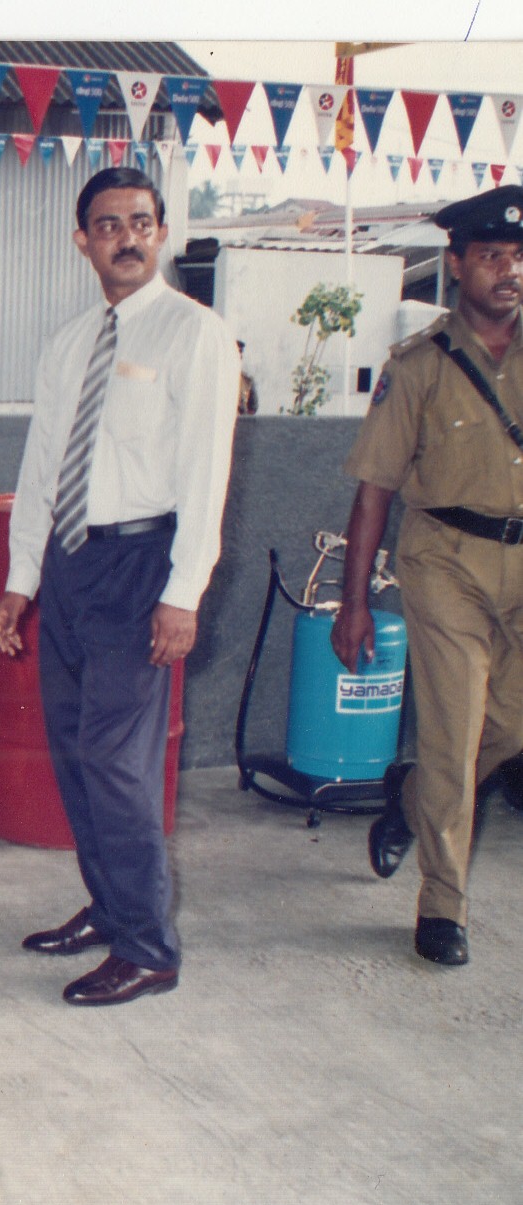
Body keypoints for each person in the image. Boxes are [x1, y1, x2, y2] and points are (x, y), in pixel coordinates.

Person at [0, 167, 239, 1006]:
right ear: (83, 241)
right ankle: (109, 907)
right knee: (74, 751)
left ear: (161, 233)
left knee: (116, 761)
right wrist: (22, 578)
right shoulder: (69, 344)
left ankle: (147, 947)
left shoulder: (195, 333)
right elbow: (42, 468)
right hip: (70, 564)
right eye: (108, 225)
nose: (126, 238)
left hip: (141, 567)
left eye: (140, 222)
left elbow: (206, 473)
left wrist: (183, 593)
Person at [330, 185, 523, 967]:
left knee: (507, 726)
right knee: (455, 727)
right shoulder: (419, 366)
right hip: (445, 560)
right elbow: (374, 492)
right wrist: (353, 604)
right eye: (491, 256)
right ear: (457, 265)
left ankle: (411, 798)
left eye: (519, 257)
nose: (509, 271)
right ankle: (444, 904)